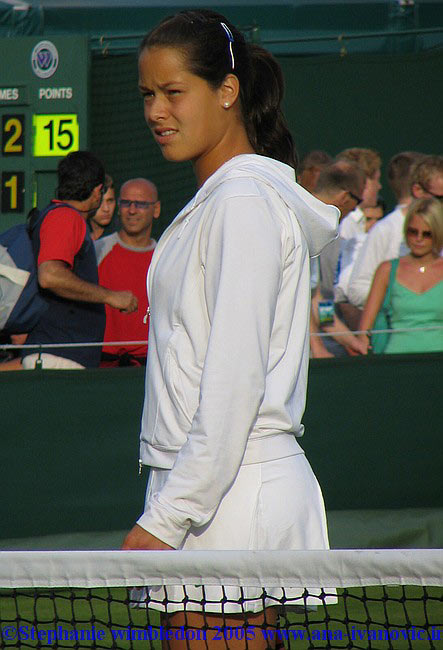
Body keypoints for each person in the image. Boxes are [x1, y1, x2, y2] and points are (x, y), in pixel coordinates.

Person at [122, 8, 338, 645]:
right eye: (147, 96)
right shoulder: (221, 202)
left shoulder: (241, 205)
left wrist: (169, 515)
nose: (156, 111)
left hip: (232, 498)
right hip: (213, 491)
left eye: (173, 92)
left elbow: (234, 384)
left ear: (226, 92)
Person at [22, 151, 138, 370]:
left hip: (59, 354)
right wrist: (110, 296)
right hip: (58, 355)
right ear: (97, 192)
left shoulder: (63, 216)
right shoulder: (65, 217)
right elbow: (50, 275)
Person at [348, 154, 443, 309]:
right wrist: (404, 299)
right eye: (440, 198)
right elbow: (356, 289)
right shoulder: (386, 229)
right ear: (418, 190)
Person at [358, 197, 443, 354]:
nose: (418, 239)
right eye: (413, 232)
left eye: (427, 234)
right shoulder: (387, 270)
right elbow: (364, 331)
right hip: (396, 364)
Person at [95, 177, 160, 366]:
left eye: (140, 204)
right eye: (125, 203)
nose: (132, 210)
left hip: (150, 365)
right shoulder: (98, 251)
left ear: (156, 210)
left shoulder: (165, 257)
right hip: (102, 364)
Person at [309, 161, 367, 357]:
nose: (355, 211)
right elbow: (297, 294)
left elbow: (316, 301)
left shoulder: (323, 230)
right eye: (357, 202)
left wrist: (350, 340)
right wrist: (317, 347)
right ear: (344, 197)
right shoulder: (302, 222)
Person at [336, 147, 382, 243]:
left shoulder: (356, 220)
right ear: (363, 181)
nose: (379, 186)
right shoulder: (346, 222)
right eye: (376, 180)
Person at [89, 174, 116, 241]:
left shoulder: (124, 235)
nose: (106, 209)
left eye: (110, 201)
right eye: (99, 202)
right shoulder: (78, 233)